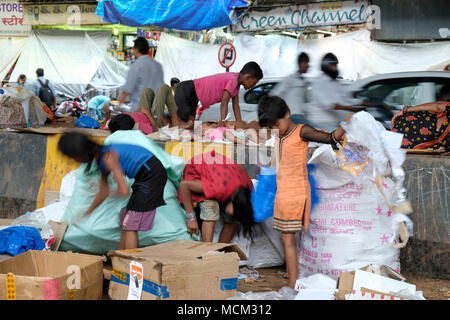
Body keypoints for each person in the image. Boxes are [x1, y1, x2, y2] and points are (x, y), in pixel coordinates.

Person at [257, 95, 348, 288]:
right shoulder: (278, 135)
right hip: (283, 192)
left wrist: (346, 124)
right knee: (288, 238)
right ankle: (295, 278)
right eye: (270, 127)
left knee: (287, 238)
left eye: (276, 124)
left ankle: (292, 283)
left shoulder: (301, 131)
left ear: (287, 114)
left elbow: (331, 138)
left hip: (294, 192)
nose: (274, 129)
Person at [57, 132, 168, 250]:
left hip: (152, 175)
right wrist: (87, 212)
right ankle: (120, 260)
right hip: (145, 177)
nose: (73, 160)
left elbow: (124, 191)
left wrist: (112, 192)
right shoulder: (101, 158)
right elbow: (104, 192)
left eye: (72, 157)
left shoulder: (108, 157)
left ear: (79, 153)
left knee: (130, 225)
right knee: (125, 223)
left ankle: (130, 264)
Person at [178, 151, 256, 243]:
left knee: (235, 218)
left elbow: (240, 166)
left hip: (220, 172)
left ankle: (220, 251)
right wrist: (191, 218)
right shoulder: (218, 188)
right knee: (211, 208)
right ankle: (207, 252)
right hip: (198, 167)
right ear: (234, 200)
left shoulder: (248, 188)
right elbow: (184, 186)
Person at [174, 61, 264, 129]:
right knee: (181, 125)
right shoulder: (233, 80)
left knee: (190, 125)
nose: (254, 86)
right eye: (254, 82)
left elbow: (236, 106)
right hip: (187, 90)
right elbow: (224, 102)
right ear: (247, 77)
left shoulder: (236, 83)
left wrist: (239, 124)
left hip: (192, 94)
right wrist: (223, 121)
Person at [307, 53, 366, 130]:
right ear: (326, 66)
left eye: (336, 65)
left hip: (334, 123)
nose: (336, 68)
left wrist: (363, 102)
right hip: (321, 123)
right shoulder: (319, 82)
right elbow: (329, 105)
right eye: (333, 65)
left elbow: (345, 99)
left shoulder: (335, 83)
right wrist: (352, 109)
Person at [391, 85, 450, 151]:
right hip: (424, 137)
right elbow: (439, 105)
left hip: (422, 129)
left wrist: (406, 110)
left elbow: (438, 106)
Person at [118, 37, 164, 112]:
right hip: (156, 109)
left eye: (133, 49)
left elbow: (127, 90)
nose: (132, 51)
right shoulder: (158, 65)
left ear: (136, 49)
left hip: (140, 109)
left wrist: (117, 107)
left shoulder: (136, 65)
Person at [270, 52, 311, 125]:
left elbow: (307, 99)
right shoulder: (290, 79)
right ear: (301, 64)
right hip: (293, 116)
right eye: (307, 63)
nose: (308, 66)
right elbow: (274, 95)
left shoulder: (304, 81)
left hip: (300, 116)